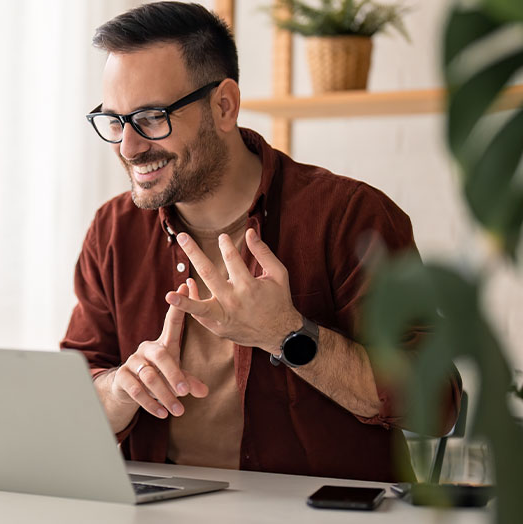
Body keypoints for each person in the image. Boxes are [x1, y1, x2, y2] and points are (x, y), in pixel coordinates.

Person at [60, 1, 461, 482]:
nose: (127, 147)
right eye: (115, 121)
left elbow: (437, 404)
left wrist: (288, 334)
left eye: (150, 117)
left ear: (224, 106)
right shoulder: (113, 230)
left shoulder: (351, 217)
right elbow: (73, 393)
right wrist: (116, 392)